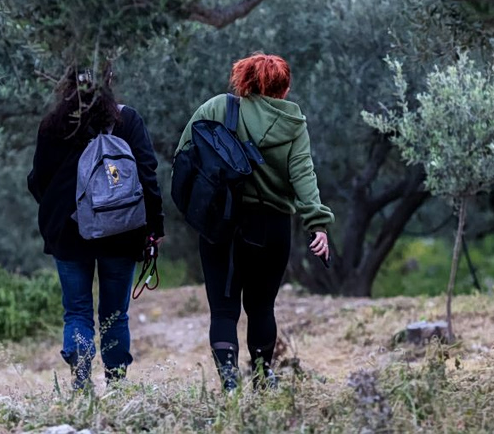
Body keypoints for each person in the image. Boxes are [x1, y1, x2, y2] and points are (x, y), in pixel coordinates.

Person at [175, 52, 334, 391]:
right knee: (261, 308)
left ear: (243, 80)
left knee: (223, 309)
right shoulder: (293, 123)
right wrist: (316, 224)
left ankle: (230, 383)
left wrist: (195, 204)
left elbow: (183, 155)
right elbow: (303, 174)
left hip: (221, 224)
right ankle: (262, 378)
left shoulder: (217, 107)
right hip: (272, 226)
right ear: (285, 88)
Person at [27, 67, 164, 390]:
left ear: (68, 82)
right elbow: (147, 174)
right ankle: (116, 383)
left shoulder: (53, 125)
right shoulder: (127, 120)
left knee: (77, 311)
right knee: (115, 314)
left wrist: (57, 211)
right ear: (110, 81)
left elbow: (38, 180)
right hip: (122, 230)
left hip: (69, 232)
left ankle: (80, 370)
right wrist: (154, 227)